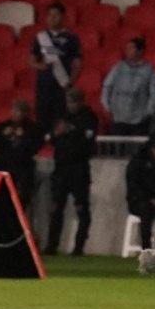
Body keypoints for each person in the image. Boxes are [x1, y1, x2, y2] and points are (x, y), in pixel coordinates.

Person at [44, 87, 96, 256]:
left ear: (81, 102)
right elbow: (51, 138)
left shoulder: (88, 117)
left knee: (81, 207)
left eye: (74, 101)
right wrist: (57, 133)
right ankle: (52, 245)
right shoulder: (61, 116)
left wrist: (70, 131)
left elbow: (87, 139)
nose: (72, 105)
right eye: (69, 101)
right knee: (56, 208)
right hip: (61, 168)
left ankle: (79, 247)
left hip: (79, 168)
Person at [30, 2, 82, 135]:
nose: (52, 18)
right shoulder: (40, 37)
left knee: (60, 121)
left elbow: (77, 63)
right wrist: (40, 66)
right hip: (44, 86)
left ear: (63, 17)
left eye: (56, 15)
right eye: (50, 15)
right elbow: (32, 61)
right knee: (41, 121)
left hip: (62, 85)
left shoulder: (71, 38)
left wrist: (70, 82)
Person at [0, 98, 42, 211]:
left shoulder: (32, 128)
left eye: (18, 111)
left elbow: (35, 148)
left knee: (19, 205)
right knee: (0, 204)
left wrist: (23, 137)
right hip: (3, 168)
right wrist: (3, 135)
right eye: (13, 110)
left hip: (22, 171)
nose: (15, 113)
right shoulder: (3, 126)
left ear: (25, 113)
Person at [101, 36, 155, 136]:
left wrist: (148, 112)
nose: (127, 51)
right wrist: (107, 107)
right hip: (118, 118)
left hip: (139, 120)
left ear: (140, 51)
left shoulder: (149, 70)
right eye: (127, 48)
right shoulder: (118, 68)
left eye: (131, 48)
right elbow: (107, 87)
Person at [125, 129, 155, 250]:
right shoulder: (138, 162)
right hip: (140, 200)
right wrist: (149, 199)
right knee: (146, 210)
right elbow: (133, 185)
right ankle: (146, 248)